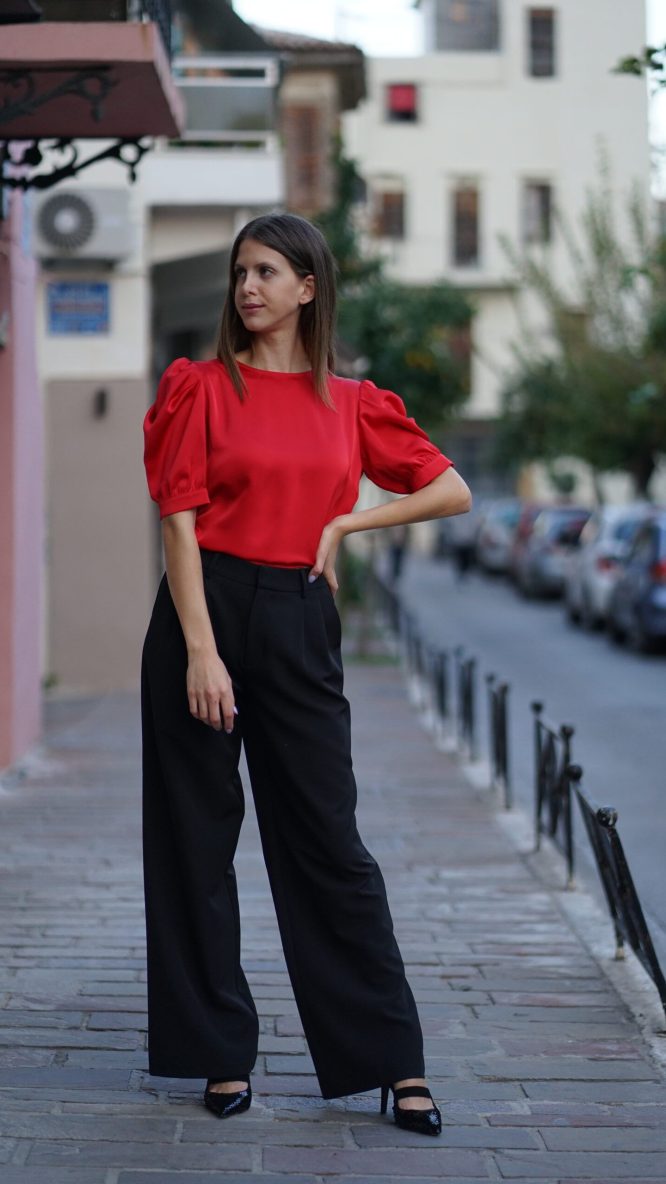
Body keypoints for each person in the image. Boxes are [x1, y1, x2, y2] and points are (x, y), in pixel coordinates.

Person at [141, 213, 472, 1136]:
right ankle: (217, 1054)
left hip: (298, 614)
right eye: (241, 272)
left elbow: (449, 486)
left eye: (268, 272)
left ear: (308, 289)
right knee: (195, 842)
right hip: (202, 613)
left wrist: (346, 525)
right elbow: (178, 519)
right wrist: (202, 650)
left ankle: (390, 1062)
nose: (248, 288)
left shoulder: (354, 400)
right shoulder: (198, 386)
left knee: (328, 841)